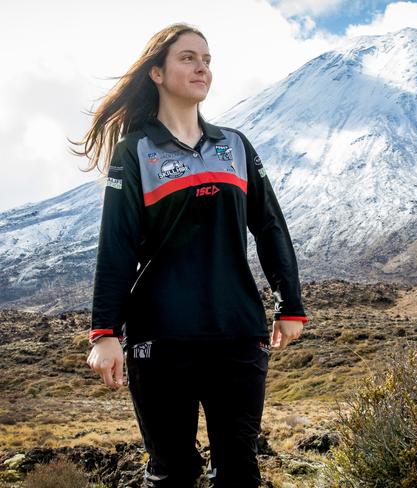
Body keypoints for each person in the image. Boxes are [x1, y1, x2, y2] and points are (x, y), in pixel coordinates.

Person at [72, 22, 309, 488]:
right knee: (172, 472)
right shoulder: (135, 151)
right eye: (188, 58)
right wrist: (104, 332)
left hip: (237, 332)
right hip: (162, 337)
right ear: (156, 73)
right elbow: (116, 244)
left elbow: (269, 225)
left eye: (207, 60)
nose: (202, 67)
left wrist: (291, 304)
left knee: (239, 470)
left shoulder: (235, 146)